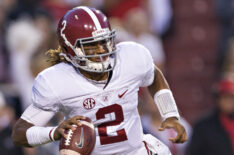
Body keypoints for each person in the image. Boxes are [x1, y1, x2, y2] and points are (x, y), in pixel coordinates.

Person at [12, 6, 187, 155]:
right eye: (91, 46)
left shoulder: (131, 57)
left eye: (104, 42)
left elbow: (154, 75)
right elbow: (20, 133)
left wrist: (169, 112)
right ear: (70, 49)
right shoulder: (56, 81)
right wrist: (54, 133)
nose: (101, 51)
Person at [187, 78, 234, 155]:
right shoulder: (203, 126)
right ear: (218, 99)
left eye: (231, 98)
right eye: (225, 98)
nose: (229, 102)